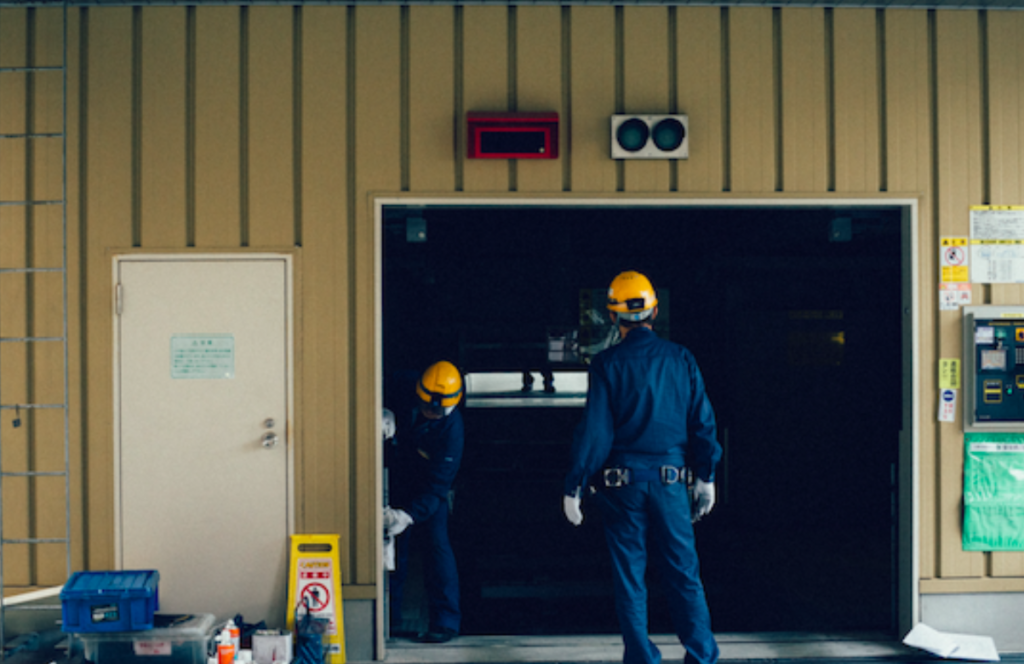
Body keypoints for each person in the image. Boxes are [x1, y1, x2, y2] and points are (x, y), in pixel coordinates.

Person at [562, 271, 722, 664]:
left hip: (623, 487)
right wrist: (706, 476)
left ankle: (642, 657)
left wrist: (575, 485)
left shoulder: (605, 364)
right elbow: (702, 421)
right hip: (672, 484)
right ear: (654, 311)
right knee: (684, 573)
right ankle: (701, 655)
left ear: (613, 317)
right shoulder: (681, 358)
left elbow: (596, 433)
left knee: (630, 577)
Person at [383, 360, 465, 644]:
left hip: (429, 488)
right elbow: (370, 385)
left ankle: (445, 622)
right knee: (392, 553)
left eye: (436, 410)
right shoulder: (402, 381)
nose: (429, 411)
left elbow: (438, 487)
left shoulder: (452, 432)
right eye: (424, 405)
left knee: (436, 547)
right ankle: (387, 621)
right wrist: (383, 410)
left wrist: (407, 516)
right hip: (396, 474)